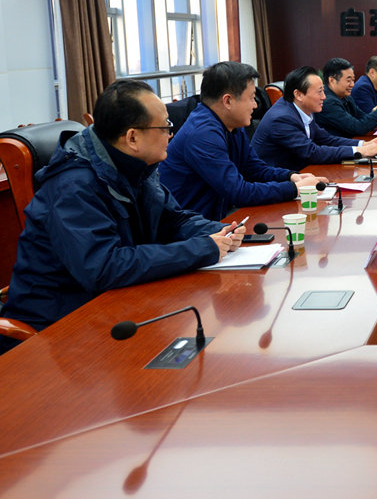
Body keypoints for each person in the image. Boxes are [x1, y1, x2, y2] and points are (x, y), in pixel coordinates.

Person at [0, 80, 243, 352]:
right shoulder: (74, 186)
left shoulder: (137, 167)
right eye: (165, 127)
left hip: (113, 304)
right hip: (57, 330)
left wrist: (219, 231)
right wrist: (203, 248)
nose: (171, 134)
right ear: (132, 138)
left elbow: (173, 219)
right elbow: (103, 267)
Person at [161, 61, 324, 221]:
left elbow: (255, 170)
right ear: (228, 101)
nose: (255, 105)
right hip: (188, 228)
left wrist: (291, 177)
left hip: (214, 220)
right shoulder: (202, 135)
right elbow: (238, 192)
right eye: (252, 98)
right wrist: (294, 189)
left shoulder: (232, 125)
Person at [252, 66, 377, 171]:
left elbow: (327, 139)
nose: (324, 97)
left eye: (323, 90)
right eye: (319, 92)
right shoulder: (282, 119)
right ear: (298, 95)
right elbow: (312, 152)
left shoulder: (301, 109)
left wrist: (363, 144)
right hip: (275, 183)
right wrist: (359, 151)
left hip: (301, 173)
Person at [316, 57, 377, 138]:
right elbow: (358, 128)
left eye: (353, 80)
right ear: (332, 81)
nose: (352, 85)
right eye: (348, 80)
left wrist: (376, 112)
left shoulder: (346, 97)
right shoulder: (327, 102)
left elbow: (363, 118)